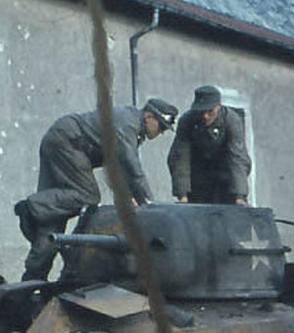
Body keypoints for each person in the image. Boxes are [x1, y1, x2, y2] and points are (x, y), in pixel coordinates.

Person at [14, 98, 178, 281]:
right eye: (161, 127)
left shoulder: (130, 126)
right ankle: (32, 206)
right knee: (88, 196)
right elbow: (132, 168)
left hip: (60, 140)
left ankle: (32, 280)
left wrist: (127, 196)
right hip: (69, 143)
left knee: (53, 216)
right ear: (149, 117)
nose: (161, 132)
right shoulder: (128, 125)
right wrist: (149, 204)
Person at [167, 85, 251, 205]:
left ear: (219, 106)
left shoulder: (232, 120)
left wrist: (239, 195)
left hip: (225, 175)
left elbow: (238, 158)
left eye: (210, 111)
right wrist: (182, 195)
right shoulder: (187, 121)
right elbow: (180, 157)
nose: (205, 116)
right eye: (201, 111)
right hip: (198, 176)